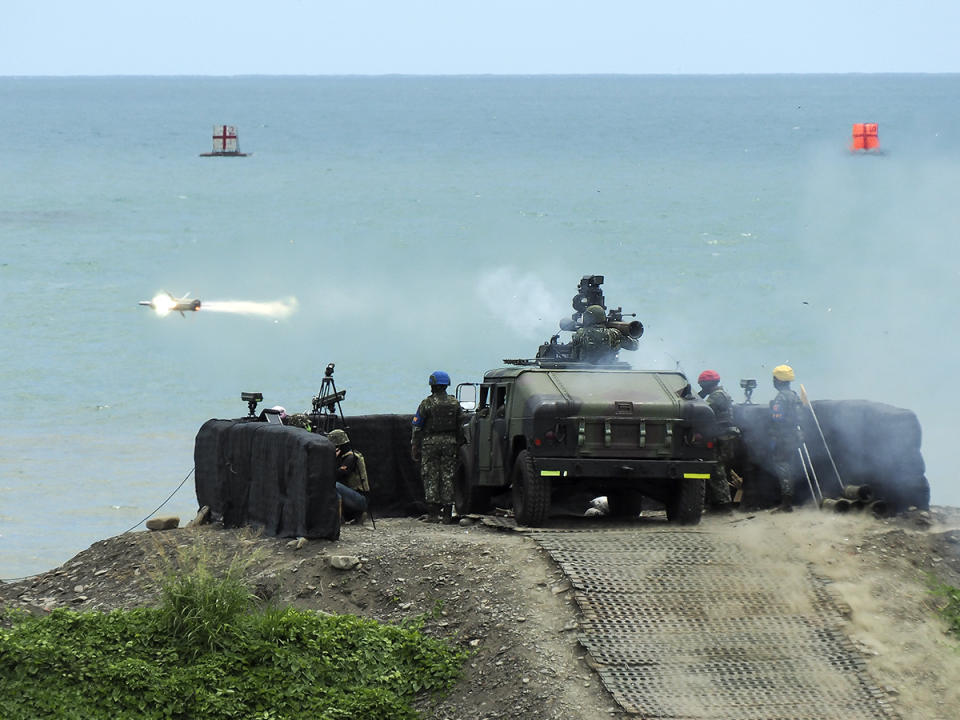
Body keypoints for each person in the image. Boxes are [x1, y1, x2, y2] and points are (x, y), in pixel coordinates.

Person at [411, 370, 462, 524]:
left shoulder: (427, 403)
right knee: (448, 476)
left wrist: (415, 446)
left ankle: (433, 514)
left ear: (432, 385)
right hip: (450, 443)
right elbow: (460, 426)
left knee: (430, 476)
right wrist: (458, 444)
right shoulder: (455, 403)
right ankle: (447, 514)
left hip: (430, 443)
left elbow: (417, 426)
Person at [697, 370, 736, 510]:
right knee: (717, 470)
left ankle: (724, 505)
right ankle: (719, 503)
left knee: (717, 471)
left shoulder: (717, 396)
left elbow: (702, 409)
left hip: (720, 437)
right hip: (724, 436)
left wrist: (697, 396)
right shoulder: (722, 394)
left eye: (703, 385)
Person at [769, 364, 803, 511]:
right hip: (795, 436)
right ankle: (791, 500)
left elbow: (777, 418)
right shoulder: (795, 396)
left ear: (779, 380)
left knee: (782, 467)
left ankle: (786, 503)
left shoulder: (781, 398)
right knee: (791, 467)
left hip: (783, 437)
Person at [327, 429, 370, 524]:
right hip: (352, 497)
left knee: (334, 485)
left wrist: (331, 458)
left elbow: (337, 475)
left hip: (360, 498)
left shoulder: (351, 458)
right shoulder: (345, 456)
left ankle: (337, 518)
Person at [570, 305, 638, 364]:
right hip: (609, 371)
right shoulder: (614, 333)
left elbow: (574, 356)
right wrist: (622, 325)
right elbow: (634, 346)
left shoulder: (580, 333)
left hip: (584, 370)